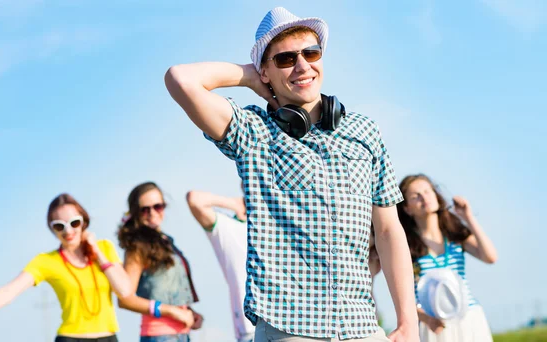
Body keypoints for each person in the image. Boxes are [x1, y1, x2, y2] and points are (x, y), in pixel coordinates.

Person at [165, 6, 418, 342]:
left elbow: (388, 231)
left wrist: (408, 322)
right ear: (266, 70)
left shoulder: (365, 131)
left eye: (310, 53)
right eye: (285, 59)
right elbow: (180, 79)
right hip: (289, 329)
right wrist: (248, 76)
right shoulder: (253, 131)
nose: (302, 65)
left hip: (361, 325)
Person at [0, 193, 132, 341]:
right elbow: (8, 292)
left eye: (74, 223)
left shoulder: (105, 248)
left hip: (109, 337)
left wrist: (97, 252)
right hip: (70, 338)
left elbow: (124, 290)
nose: (68, 231)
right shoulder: (47, 261)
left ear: (83, 221)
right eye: (59, 226)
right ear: (52, 229)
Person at [397, 174, 497, 342]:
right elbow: (402, 296)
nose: (424, 198)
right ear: (407, 208)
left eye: (427, 191)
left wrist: (468, 217)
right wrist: (426, 319)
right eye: (416, 196)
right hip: (433, 326)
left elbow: (490, 257)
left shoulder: (455, 234)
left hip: (469, 318)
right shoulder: (406, 246)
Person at [117, 182, 202, 342]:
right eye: (144, 209)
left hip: (182, 335)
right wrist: (172, 311)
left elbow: (163, 291)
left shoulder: (166, 242)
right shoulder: (136, 247)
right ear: (135, 213)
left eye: (157, 206)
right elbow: (124, 299)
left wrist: (188, 311)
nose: (152, 213)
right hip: (159, 336)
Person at [186, 189, 255, 342]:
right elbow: (195, 198)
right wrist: (235, 204)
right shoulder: (227, 227)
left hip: (289, 326)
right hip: (250, 330)